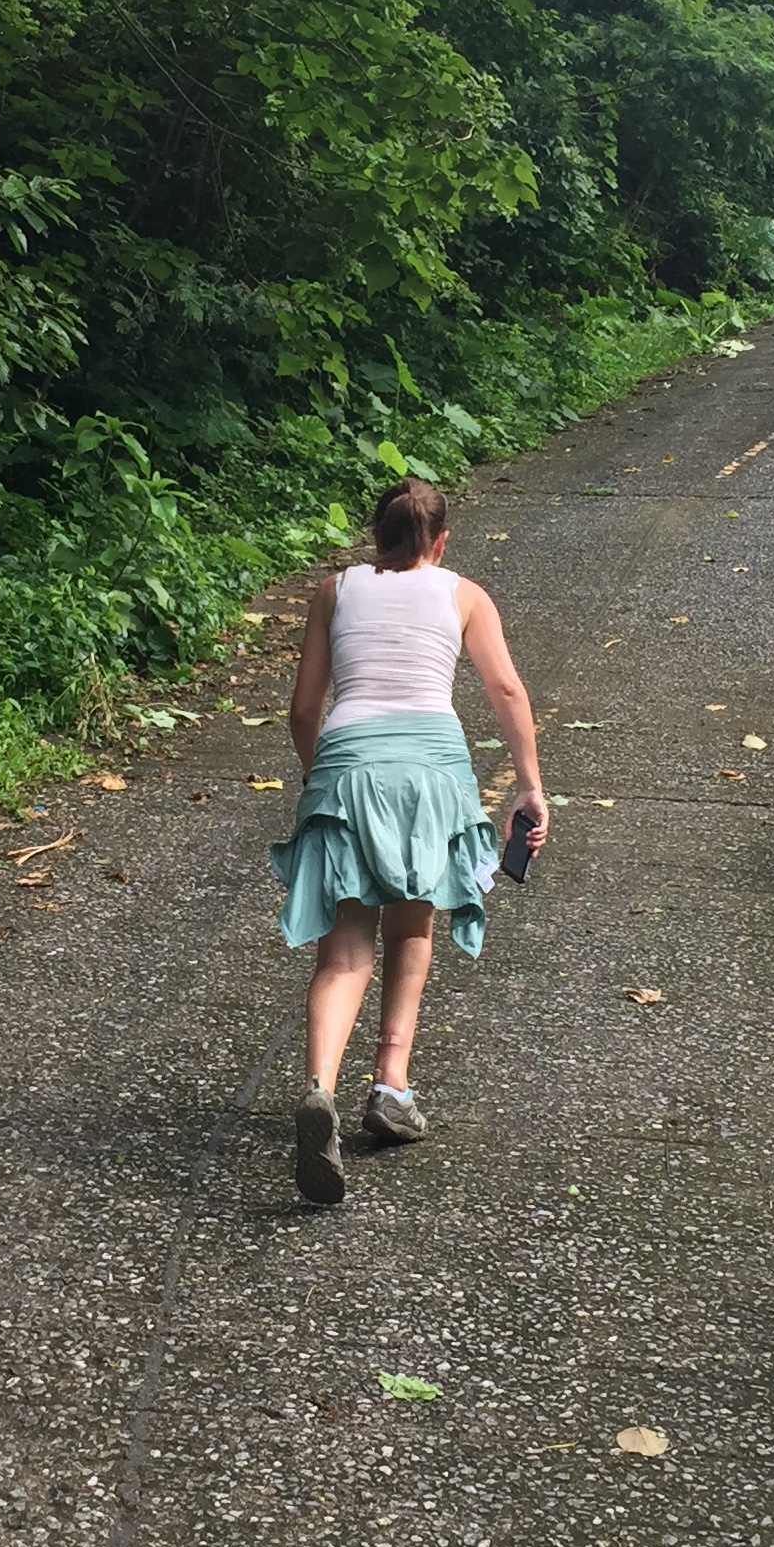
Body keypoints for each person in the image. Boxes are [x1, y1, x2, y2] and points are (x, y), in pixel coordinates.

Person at [269, 476, 549, 1205]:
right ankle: (391, 1085)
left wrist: (321, 779)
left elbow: (304, 709)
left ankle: (319, 1088)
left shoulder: (334, 591)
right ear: (441, 542)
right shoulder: (464, 595)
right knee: (411, 927)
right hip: (431, 770)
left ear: (376, 534)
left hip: (347, 763)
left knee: (344, 949)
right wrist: (529, 785)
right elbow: (507, 690)